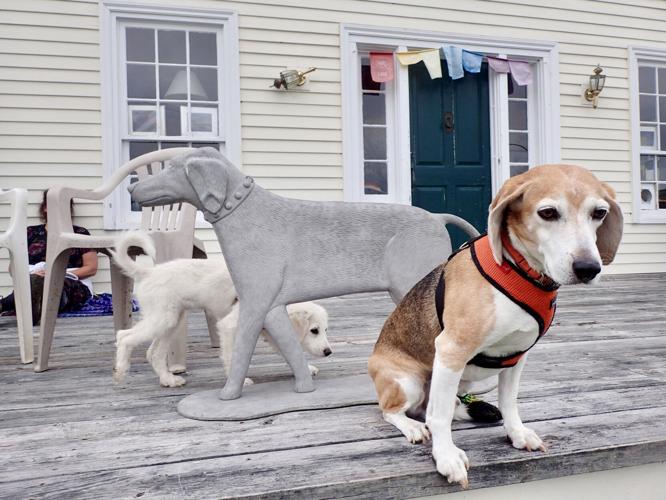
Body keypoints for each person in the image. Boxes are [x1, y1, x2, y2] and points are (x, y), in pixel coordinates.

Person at [0, 190, 98, 324]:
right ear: (45, 207)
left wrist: (54, 274)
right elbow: (13, 268)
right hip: (33, 276)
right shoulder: (29, 233)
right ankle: (34, 303)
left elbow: (91, 268)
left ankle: (11, 305)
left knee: (53, 285)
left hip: (70, 281)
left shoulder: (80, 233)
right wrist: (36, 273)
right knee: (31, 284)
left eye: (63, 205)